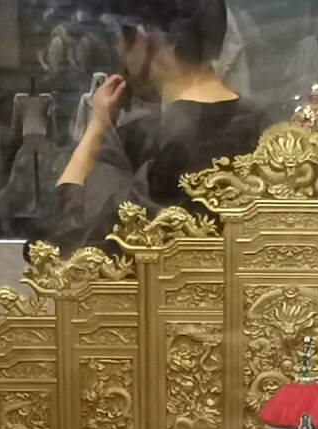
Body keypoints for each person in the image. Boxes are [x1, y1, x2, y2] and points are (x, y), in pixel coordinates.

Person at [48, 0, 263, 255]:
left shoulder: (166, 151)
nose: (119, 49)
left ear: (145, 36)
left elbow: (64, 246)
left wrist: (96, 127)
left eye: (123, 33)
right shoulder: (263, 127)